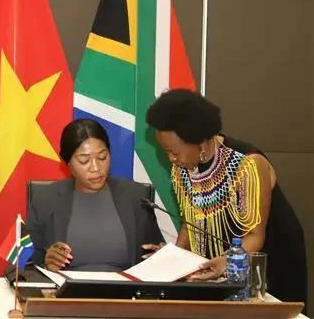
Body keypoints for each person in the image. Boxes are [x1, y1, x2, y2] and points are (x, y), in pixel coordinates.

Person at [145, 89, 307, 308]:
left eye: (174, 152)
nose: (171, 159)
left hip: (270, 266)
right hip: (224, 271)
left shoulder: (248, 164)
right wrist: (174, 256)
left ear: (201, 143)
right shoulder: (184, 167)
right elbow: (190, 221)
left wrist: (226, 262)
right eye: (166, 152)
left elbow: (255, 236)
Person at [27, 118, 164, 272]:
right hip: (66, 294)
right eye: (84, 161)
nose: (96, 168)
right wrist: (46, 264)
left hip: (124, 293)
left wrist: (161, 257)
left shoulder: (136, 197)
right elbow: (26, 265)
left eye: (102, 157)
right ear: (67, 163)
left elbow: (158, 252)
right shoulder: (46, 200)